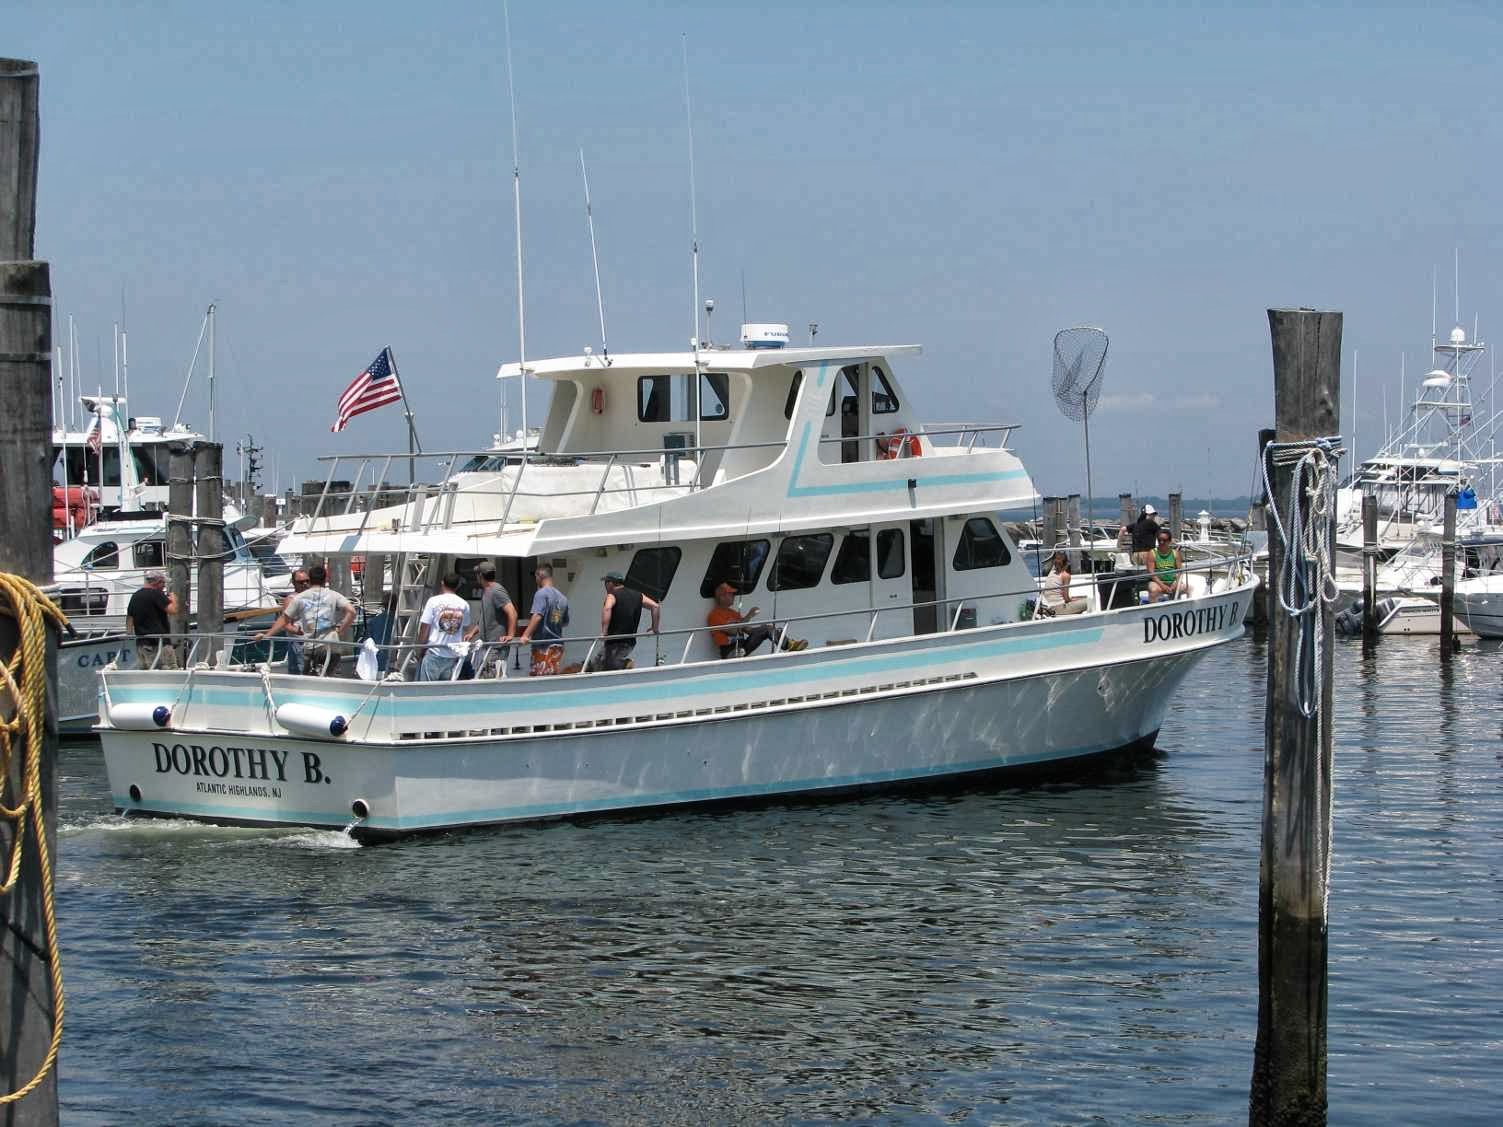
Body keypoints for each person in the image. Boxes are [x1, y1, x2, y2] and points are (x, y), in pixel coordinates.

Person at [258, 563, 356, 675]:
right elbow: (351, 611)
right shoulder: (334, 595)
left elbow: (284, 619)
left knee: (306, 681)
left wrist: (267, 635)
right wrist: (341, 630)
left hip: (311, 648)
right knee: (329, 678)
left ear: (310, 579)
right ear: (325, 579)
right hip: (332, 646)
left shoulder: (299, 598)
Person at [706, 582, 806, 658]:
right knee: (763, 630)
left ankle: (789, 645)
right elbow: (733, 631)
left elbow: (749, 631)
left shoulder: (733, 613)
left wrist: (769, 630)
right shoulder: (714, 615)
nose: (733, 596)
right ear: (722, 597)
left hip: (742, 646)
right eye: (730, 594)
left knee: (766, 628)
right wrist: (750, 615)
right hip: (729, 650)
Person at [586, 572, 661, 672]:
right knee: (603, 663)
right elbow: (655, 606)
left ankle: (626, 664)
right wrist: (654, 628)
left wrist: (604, 632)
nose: (605, 586)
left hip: (614, 641)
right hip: (630, 642)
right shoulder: (638, 595)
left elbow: (607, 608)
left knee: (603, 663)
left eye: (606, 583)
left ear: (611, 583)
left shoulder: (612, 596)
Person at [464, 562, 517, 677]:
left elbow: (512, 612)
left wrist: (510, 635)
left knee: (491, 679)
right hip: (488, 645)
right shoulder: (487, 591)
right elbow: (485, 617)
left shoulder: (496, 591)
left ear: (481, 576)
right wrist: (472, 632)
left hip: (496, 646)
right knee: (486, 677)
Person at [416, 572, 471, 681]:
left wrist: (421, 649)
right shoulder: (464, 604)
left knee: (427, 691)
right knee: (445, 693)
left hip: (434, 653)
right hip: (453, 656)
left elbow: (425, 627)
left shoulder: (433, 601)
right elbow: (465, 628)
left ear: (442, 583)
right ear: (458, 586)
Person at [517, 564, 570, 675]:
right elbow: (565, 622)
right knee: (552, 679)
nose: (535, 580)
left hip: (543, 646)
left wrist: (525, 636)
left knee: (539, 680)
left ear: (539, 575)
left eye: (535, 577)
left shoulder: (541, 594)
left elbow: (537, 616)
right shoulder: (563, 598)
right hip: (558, 647)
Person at [126, 571, 179, 670]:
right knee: (167, 672)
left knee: (147, 674)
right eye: (163, 583)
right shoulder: (156, 594)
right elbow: (173, 610)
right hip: (158, 644)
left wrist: (129, 633)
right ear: (157, 582)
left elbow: (130, 618)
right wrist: (173, 598)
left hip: (141, 644)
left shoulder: (135, 596)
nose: (164, 586)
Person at [1041, 551, 1089, 615]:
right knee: (1087, 601)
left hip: (1048, 605)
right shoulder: (1066, 575)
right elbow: (1066, 599)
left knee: (1077, 598)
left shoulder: (1051, 572)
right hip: (1058, 608)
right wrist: (1073, 600)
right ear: (1067, 563)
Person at [281, 569, 310, 674]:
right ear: (294, 583)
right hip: (299, 644)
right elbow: (285, 624)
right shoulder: (291, 599)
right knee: (300, 673)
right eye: (301, 582)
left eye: (307, 581)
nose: (305, 584)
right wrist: (297, 631)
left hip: (314, 643)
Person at [1148, 529, 1188, 601]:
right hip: (1158, 582)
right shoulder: (1152, 552)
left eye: (1164, 540)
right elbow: (1151, 573)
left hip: (1172, 582)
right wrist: (1162, 586)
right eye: (1159, 540)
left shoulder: (1175, 553)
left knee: (1186, 588)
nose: (1161, 542)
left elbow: (1180, 571)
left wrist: (1175, 584)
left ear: (1169, 541)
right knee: (1153, 590)